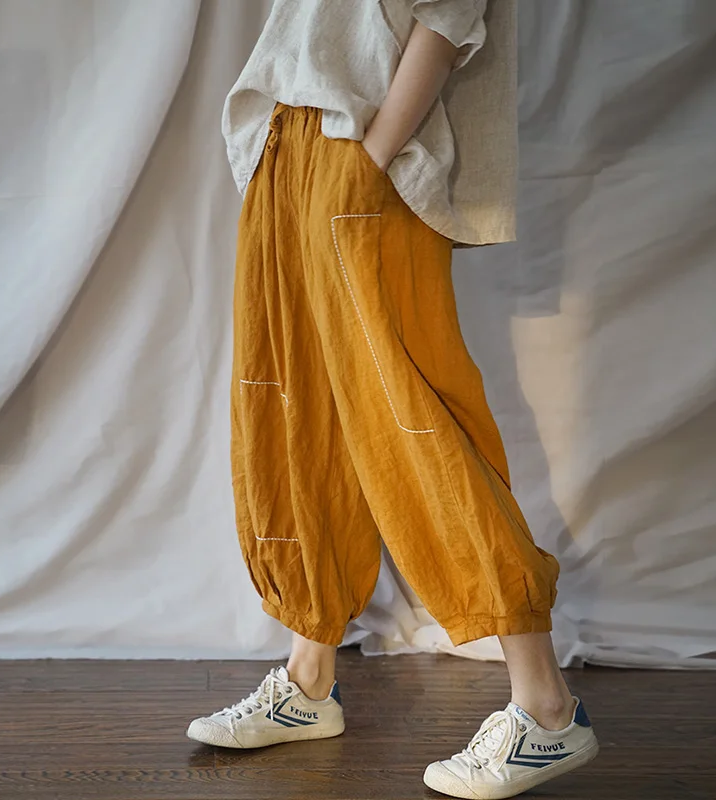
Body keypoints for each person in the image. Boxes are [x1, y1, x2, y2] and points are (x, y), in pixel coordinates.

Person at [187, 1, 599, 797]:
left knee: (415, 422)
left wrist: (368, 160)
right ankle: (308, 682)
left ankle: (547, 707)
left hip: (360, 150)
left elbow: (446, 21)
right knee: (298, 414)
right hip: (289, 149)